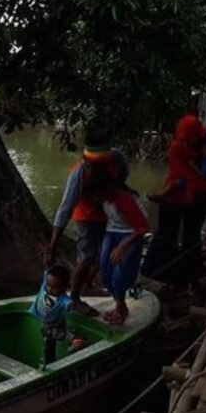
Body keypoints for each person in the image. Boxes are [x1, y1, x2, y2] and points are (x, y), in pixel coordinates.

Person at [142, 112, 206, 286]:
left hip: (195, 199)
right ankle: (157, 271)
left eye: (191, 138)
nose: (188, 141)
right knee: (166, 235)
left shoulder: (205, 146)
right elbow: (180, 176)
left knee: (191, 236)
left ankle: (190, 272)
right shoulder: (178, 147)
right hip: (176, 197)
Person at [46, 133, 129, 315]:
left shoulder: (117, 159)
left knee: (105, 255)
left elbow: (123, 177)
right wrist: (53, 244)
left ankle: (89, 285)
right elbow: (65, 208)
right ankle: (75, 298)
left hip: (107, 214)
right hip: (85, 217)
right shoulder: (79, 174)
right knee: (86, 257)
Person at [93, 178, 150, 325]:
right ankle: (119, 303)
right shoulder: (104, 200)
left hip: (131, 233)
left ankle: (121, 307)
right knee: (105, 274)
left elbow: (143, 228)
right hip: (112, 231)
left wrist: (122, 246)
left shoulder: (124, 200)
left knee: (119, 275)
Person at [29, 265, 73, 365]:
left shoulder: (63, 299)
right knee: (48, 343)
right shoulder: (45, 284)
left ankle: (73, 338)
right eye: (48, 284)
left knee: (49, 332)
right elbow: (47, 269)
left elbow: (69, 303)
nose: (49, 288)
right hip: (45, 321)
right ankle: (49, 361)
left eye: (54, 287)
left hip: (55, 323)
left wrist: (72, 306)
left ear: (64, 288)